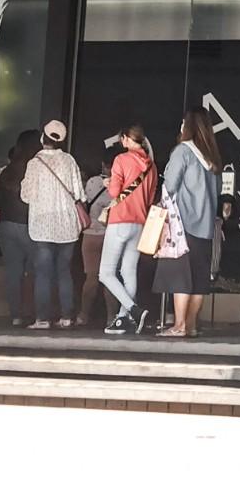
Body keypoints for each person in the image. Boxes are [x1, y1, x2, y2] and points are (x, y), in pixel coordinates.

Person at [154, 108, 222, 338]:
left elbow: (170, 185)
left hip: (182, 225)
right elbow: (218, 191)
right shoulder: (212, 156)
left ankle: (179, 325)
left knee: (180, 277)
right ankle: (191, 325)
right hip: (206, 227)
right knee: (200, 279)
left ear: (188, 125)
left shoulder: (183, 151)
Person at [20, 120, 85, 330]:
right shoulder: (69, 161)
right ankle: (66, 317)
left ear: (43, 137)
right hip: (67, 225)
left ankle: (42, 319)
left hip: (42, 225)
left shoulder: (34, 163)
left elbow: (26, 196)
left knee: (43, 273)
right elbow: (80, 193)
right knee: (64, 272)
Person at [100, 124, 158, 336]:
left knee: (106, 273)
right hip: (139, 223)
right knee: (128, 271)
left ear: (125, 138)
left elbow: (115, 191)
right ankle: (123, 319)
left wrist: (108, 183)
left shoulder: (121, 159)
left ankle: (134, 310)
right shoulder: (152, 166)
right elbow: (150, 199)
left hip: (119, 221)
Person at [0, 130, 39, 326]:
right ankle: (34, 312)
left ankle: (16, 314)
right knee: (36, 270)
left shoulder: (6, 171)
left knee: (13, 271)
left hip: (6, 225)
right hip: (29, 225)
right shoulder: (35, 170)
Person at [76, 159, 114, 328]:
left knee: (91, 277)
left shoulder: (92, 182)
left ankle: (83, 315)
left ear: (103, 165)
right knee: (110, 278)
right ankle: (111, 317)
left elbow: (84, 202)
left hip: (90, 234)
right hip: (110, 235)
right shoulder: (121, 183)